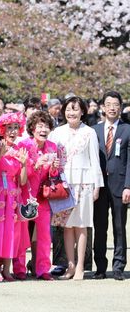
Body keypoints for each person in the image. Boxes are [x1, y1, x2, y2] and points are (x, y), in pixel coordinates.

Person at [49, 96, 103, 280]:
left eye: (76, 109)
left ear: (82, 112)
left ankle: (80, 266)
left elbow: (95, 160)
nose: (71, 112)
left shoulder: (89, 132)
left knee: (81, 225)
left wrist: (97, 186)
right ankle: (70, 266)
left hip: (84, 182)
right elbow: (49, 156)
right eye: (68, 109)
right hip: (63, 183)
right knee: (66, 226)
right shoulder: (57, 132)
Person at [14, 111, 59, 281]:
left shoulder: (52, 147)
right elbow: (19, 173)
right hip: (25, 195)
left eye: (46, 126)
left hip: (43, 197)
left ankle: (43, 269)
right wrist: (35, 164)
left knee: (45, 235)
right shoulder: (23, 145)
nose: (43, 129)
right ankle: (19, 268)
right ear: (32, 128)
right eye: (40, 126)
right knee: (21, 234)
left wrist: (54, 167)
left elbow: (53, 175)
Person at [92, 91, 130, 280]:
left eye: (116, 104)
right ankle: (99, 266)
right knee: (99, 226)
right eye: (109, 104)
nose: (112, 107)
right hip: (99, 186)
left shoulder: (127, 129)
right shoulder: (94, 130)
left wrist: (128, 186)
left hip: (120, 184)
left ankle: (118, 266)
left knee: (119, 227)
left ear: (120, 107)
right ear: (103, 107)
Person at [0, 112, 27, 281]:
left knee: (12, 232)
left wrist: (25, 163)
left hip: (13, 194)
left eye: (15, 128)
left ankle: (7, 268)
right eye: (9, 128)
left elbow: (23, 179)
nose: (12, 131)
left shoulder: (20, 150)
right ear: (2, 129)